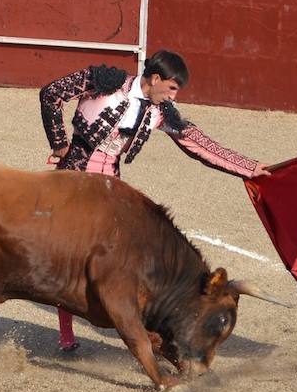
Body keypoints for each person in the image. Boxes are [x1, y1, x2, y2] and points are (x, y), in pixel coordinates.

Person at [38, 50, 268, 352]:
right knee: (70, 258)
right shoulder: (105, 82)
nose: (173, 96)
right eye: (171, 88)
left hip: (112, 188)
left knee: (124, 256)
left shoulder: (159, 112)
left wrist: (249, 168)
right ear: (155, 79)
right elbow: (51, 93)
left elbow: (197, 144)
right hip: (74, 179)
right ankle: (66, 334)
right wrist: (59, 143)